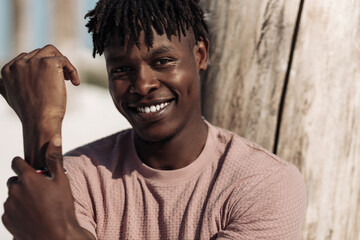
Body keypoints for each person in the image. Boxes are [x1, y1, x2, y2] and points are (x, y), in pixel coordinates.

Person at [0, 0, 306, 239]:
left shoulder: (263, 183)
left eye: (162, 61)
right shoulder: (81, 176)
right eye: (121, 69)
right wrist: (41, 122)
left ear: (200, 54)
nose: (143, 84)